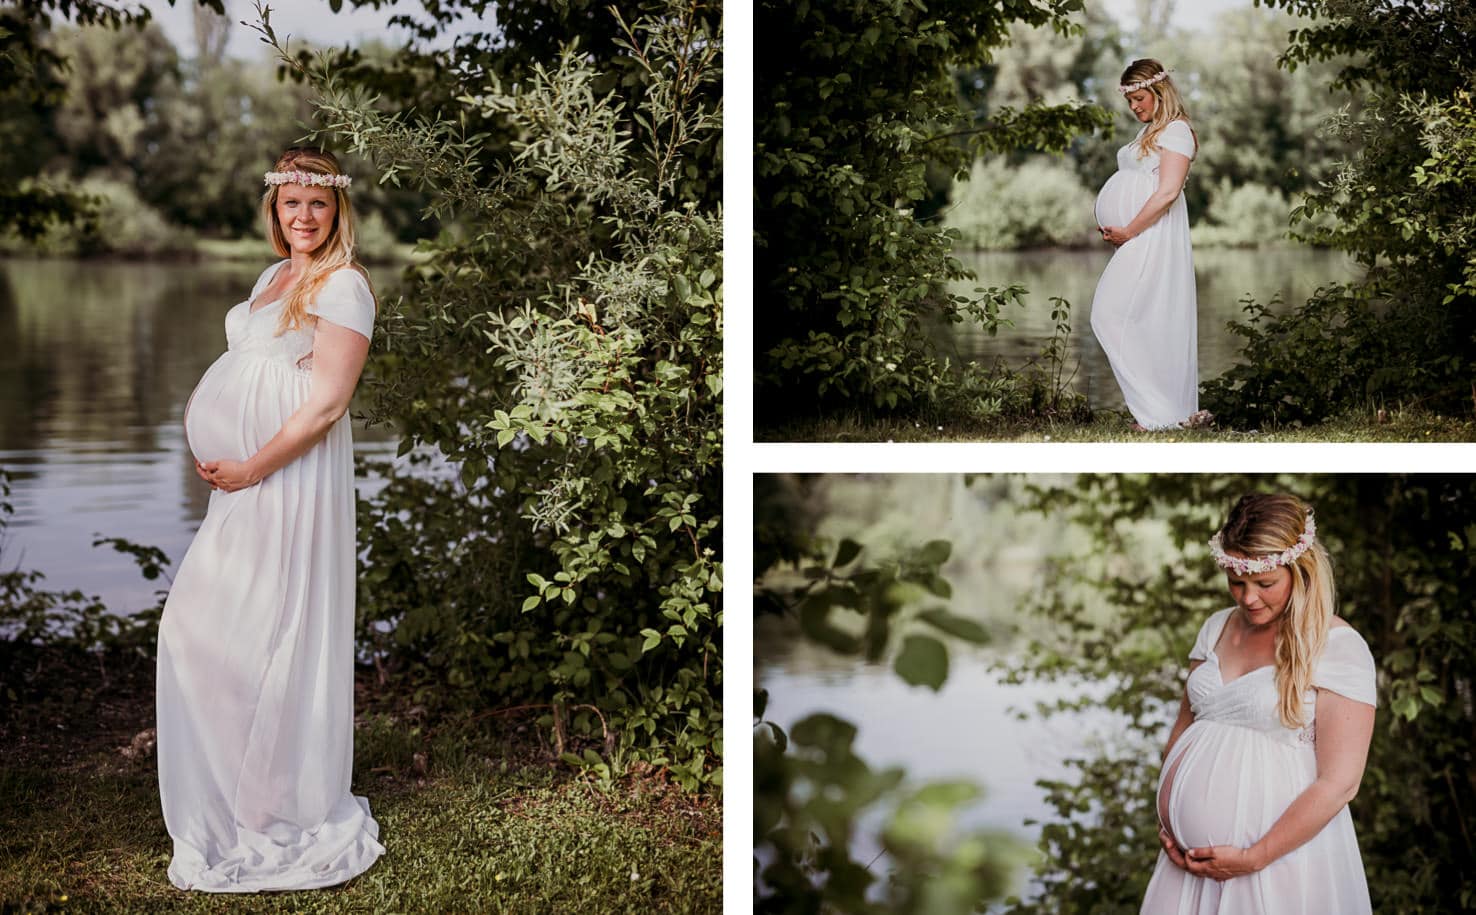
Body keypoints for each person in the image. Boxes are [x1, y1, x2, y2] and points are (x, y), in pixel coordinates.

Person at [155, 147, 385, 891]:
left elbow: (325, 403)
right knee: (198, 626)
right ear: (275, 211)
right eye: (292, 204)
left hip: (288, 482)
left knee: (271, 625)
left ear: (337, 209)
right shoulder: (270, 277)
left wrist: (252, 464)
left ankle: (274, 797)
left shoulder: (345, 286)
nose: (305, 216)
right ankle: (237, 787)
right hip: (245, 485)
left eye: (318, 203)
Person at [1142, 493, 1377, 914]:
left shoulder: (1337, 647)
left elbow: (1340, 783)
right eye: (1236, 581)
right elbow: (1183, 727)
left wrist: (1257, 855)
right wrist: (1169, 823)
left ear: (1300, 571)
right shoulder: (1216, 627)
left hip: (1279, 862)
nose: (1248, 598)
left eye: (1265, 583)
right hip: (1186, 866)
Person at [1090, 59, 1211, 431]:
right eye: (1130, 101)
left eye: (1139, 98)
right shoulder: (1153, 133)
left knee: (1112, 315)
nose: (1134, 107)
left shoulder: (1177, 131)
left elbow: (1168, 192)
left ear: (1160, 92)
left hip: (1152, 234)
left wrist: (1128, 230)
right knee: (1136, 318)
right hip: (1139, 236)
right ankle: (1160, 414)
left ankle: (1161, 415)